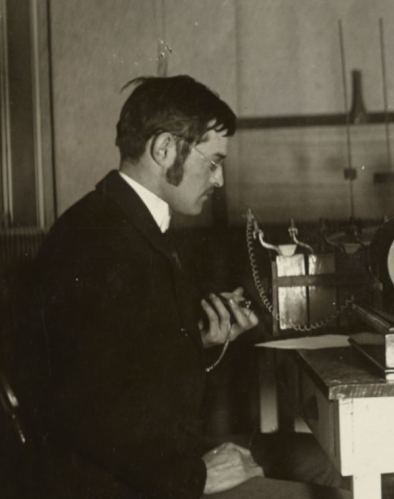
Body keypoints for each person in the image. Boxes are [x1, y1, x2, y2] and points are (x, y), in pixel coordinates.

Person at [13, 76, 344, 498]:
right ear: (165, 148)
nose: (220, 179)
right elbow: (91, 414)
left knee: (330, 461)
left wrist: (197, 339)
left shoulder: (121, 223)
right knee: (334, 480)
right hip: (130, 482)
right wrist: (196, 477)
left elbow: (122, 366)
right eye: (213, 162)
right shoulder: (100, 244)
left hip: (152, 463)